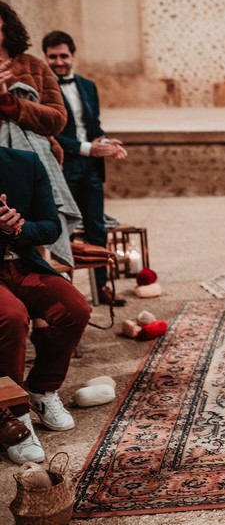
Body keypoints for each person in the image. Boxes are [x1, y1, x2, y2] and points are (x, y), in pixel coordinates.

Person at [0, 146, 92, 464]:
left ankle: (41, 388)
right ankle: (13, 414)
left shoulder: (25, 162)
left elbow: (51, 227)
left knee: (75, 309)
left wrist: (18, 228)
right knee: (12, 317)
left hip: (23, 264)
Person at [42, 30, 127, 307]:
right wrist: (88, 147)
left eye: (63, 56)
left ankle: (102, 286)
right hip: (63, 167)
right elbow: (48, 134)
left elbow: (94, 126)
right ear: (46, 58)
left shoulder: (88, 86)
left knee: (97, 229)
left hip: (91, 168)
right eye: (52, 57)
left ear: (73, 56)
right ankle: (65, 292)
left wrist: (108, 143)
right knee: (63, 229)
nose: (58, 62)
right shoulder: (44, 90)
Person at [0, 1, 81, 269]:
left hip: (33, 164)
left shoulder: (33, 66)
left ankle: (40, 293)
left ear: (6, 27)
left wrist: (10, 103)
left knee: (36, 229)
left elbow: (57, 119)